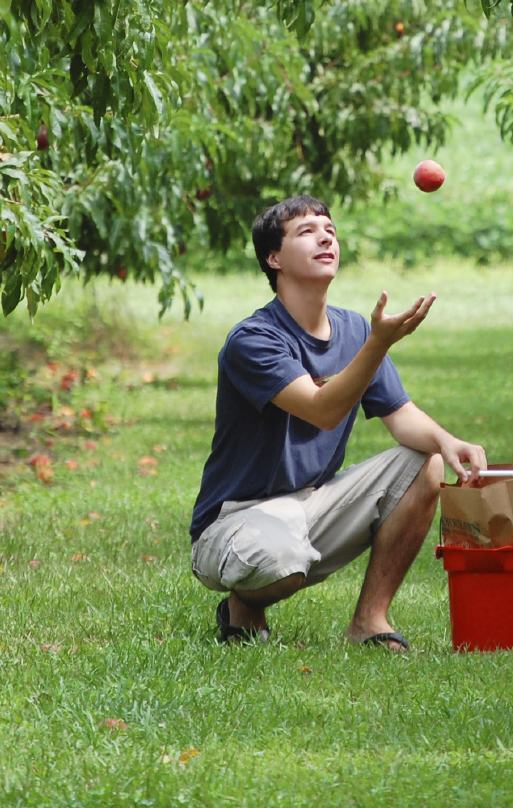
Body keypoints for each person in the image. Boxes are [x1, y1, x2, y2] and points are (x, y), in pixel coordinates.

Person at [189, 194, 488, 650]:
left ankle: (370, 620)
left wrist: (448, 442)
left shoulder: (355, 330)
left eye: (329, 229)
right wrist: (380, 345)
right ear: (274, 258)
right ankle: (241, 608)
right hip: (234, 521)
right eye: (306, 231)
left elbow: (401, 417)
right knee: (282, 561)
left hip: (312, 503)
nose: (325, 235)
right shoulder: (253, 340)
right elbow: (322, 408)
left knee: (424, 461)